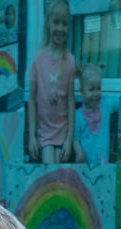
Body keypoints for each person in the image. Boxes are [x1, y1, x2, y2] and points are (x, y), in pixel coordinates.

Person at [27, 0, 75, 164]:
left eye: (64, 23)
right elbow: (32, 100)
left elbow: (70, 101)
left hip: (62, 134)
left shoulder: (69, 61)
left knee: (60, 178)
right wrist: (32, 137)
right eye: (56, 22)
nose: (60, 28)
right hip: (45, 135)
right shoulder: (38, 59)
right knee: (50, 170)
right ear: (48, 23)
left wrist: (69, 140)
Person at [73, 63, 120, 167]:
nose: (95, 93)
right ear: (82, 92)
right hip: (87, 167)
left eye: (98, 88)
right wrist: (78, 151)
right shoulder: (78, 116)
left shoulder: (106, 104)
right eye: (91, 90)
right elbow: (75, 138)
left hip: (104, 165)